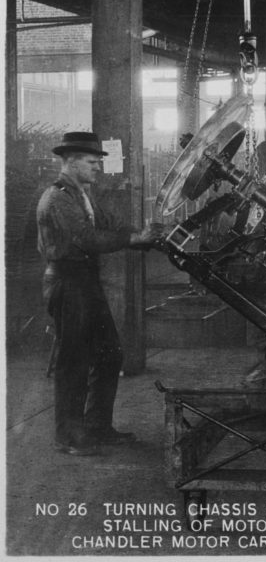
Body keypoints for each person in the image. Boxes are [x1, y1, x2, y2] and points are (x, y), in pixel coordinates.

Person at [37, 131, 164, 456]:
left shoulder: (82, 196)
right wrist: (134, 240)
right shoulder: (57, 198)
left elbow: (109, 224)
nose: (97, 168)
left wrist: (143, 234)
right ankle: (68, 436)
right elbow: (87, 239)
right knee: (73, 360)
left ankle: (97, 428)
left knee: (110, 353)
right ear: (71, 161)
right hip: (67, 281)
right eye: (92, 163)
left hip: (85, 281)